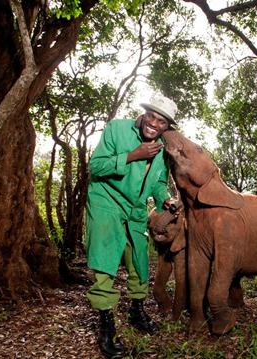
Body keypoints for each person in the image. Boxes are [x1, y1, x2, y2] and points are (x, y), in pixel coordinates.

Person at [85, 93, 178, 358]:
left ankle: (137, 311)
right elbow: (96, 166)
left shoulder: (162, 150)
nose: (154, 124)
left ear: (166, 127)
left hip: (136, 209)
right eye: (152, 116)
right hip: (107, 200)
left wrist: (166, 199)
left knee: (138, 261)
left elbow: (158, 184)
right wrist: (132, 155)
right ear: (143, 113)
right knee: (105, 261)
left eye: (161, 122)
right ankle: (106, 324)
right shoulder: (117, 129)